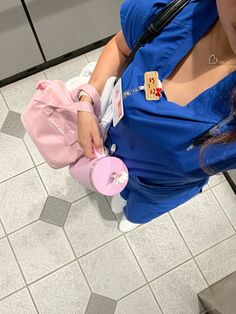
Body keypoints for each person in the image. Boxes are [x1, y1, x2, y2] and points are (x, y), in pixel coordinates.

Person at [76, 0, 236, 232]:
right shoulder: (174, 9)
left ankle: (133, 215)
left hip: (159, 189)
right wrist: (87, 99)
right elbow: (121, 47)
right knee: (112, 188)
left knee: (137, 211)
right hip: (107, 145)